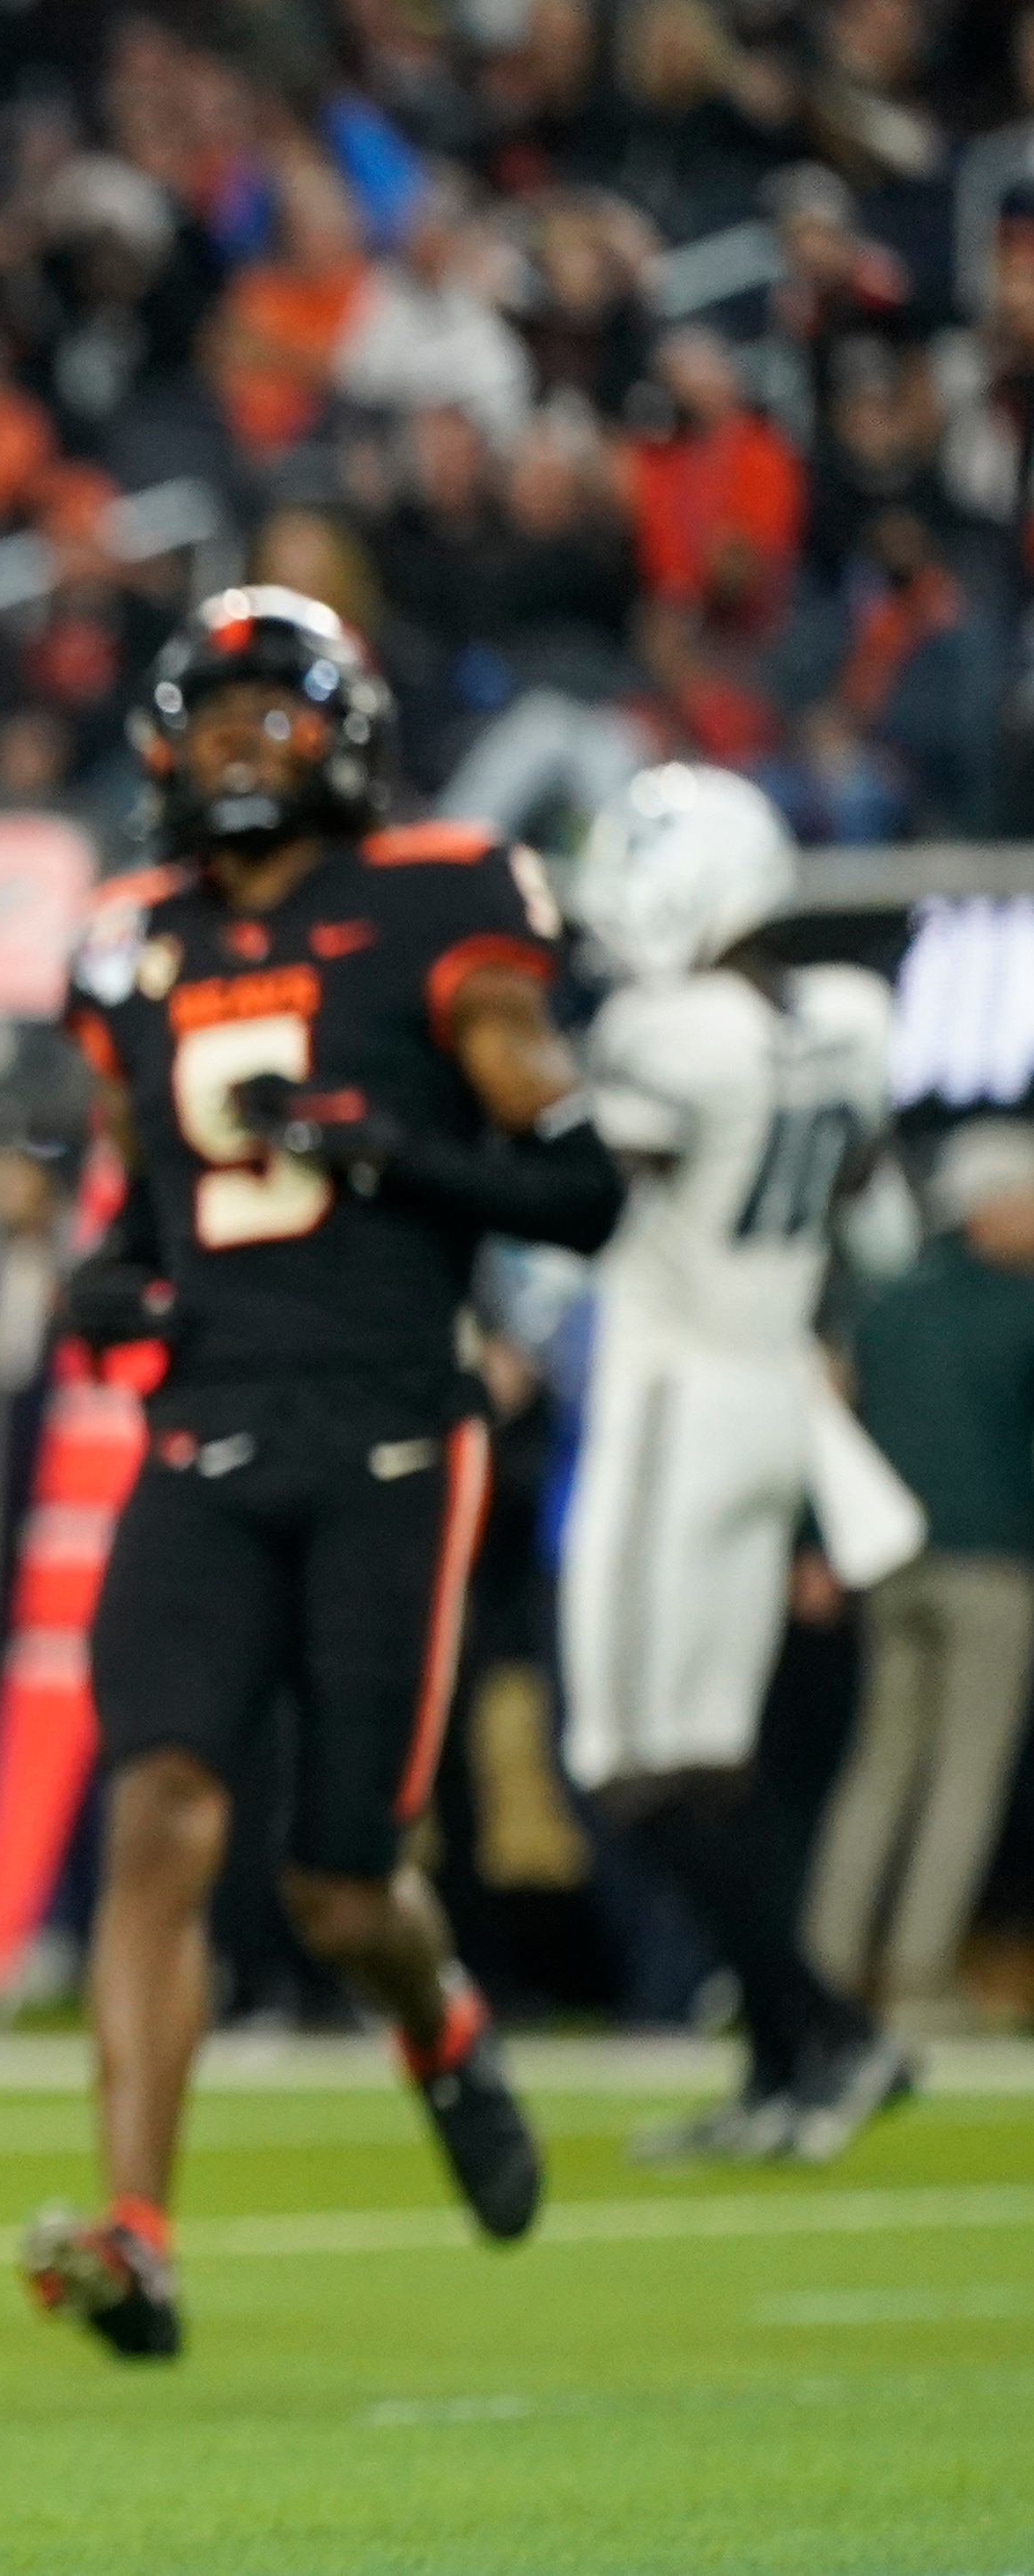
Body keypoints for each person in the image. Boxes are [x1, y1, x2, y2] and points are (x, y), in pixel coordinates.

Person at [34, 588, 623, 2360]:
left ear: (346, 732)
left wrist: (392, 1152)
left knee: (341, 1885)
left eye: (267, 712)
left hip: (388, 1420)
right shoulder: (134, 938)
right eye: (205, 714)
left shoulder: (445, 900)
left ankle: (440, 2030)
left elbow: (581, 1187)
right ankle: (138, 2228)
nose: (232, 743)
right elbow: (148, 1200)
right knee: (159, 1812)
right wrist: (114, 1276)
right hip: (203, 1428)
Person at [562, 765, 913, 2160]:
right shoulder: (846, 1018)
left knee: (627, 1760)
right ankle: (790, 2061)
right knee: (702, 1758)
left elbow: (588, 1196)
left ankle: (822, 2028)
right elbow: (864, 1218)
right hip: (780, 1393)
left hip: (677, 1399)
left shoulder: (670, 1031)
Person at [806, 1121, 1034, 2029]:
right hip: (991, 1563)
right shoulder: (1020, 1306)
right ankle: (914, 1975)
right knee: (962, 1775)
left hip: (889, 1559)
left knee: (880, 1766)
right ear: (989, 1208)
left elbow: (835, 1426)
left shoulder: (887, 1300)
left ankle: (823, 1964)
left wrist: (819, 1542)